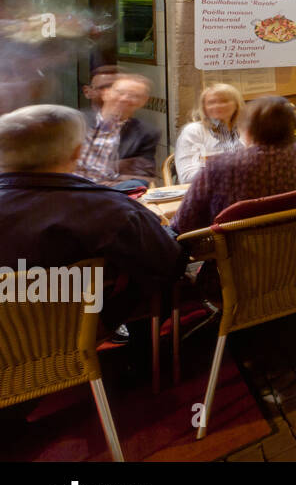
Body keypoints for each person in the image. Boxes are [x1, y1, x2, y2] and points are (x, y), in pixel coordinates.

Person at [0, 104, 183, 332]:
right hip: (72, 335)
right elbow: (168, 261)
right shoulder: (110, 210)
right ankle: (138, 360)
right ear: (77, 152)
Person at [172, 96, 296, 233]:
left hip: (235, 266)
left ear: (248, 130)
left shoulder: (222, 166)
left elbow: (184, 224)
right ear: (292, 127)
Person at [77, 73, 159, 190]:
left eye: (134, 96)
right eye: (120, 93)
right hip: (71, 186)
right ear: (106, 94)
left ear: (143, 101)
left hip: (111, 191)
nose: (125, 99)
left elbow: (142, 175)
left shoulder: (145, 133)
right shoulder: (77, 121)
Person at [174, 83, 244, 183]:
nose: (217, 106)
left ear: (236, 105)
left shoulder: (246, 129)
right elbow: (186, 177)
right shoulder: (194, 131)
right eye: (211, 102)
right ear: (204, 108)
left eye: (224, 101)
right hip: (206, 191)